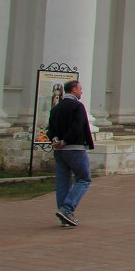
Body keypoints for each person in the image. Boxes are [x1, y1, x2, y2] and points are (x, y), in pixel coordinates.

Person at [46, 79, 94, 227]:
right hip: (75, 149)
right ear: (73, 90)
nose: (81, 92)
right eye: (80, 89)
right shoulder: (77, 106)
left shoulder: (56, 108)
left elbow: (50, 129)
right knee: (84, 179)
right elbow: (77, 127)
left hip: (59, 151)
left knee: (62, 182)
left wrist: (56, 140)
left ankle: (63, 213)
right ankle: (67, 209)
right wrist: (65, 141)